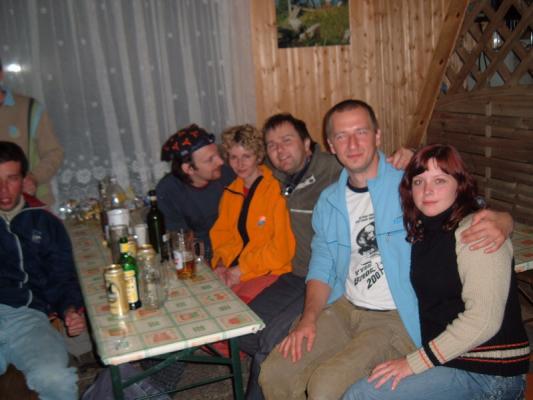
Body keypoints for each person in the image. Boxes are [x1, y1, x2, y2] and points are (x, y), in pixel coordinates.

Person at [258, 100, 515, 400]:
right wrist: (309, 318)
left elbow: (458, 203)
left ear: (377, 136)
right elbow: (322, 264)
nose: (353, 144)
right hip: (343, 306)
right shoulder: (328, 201)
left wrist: (501, 219)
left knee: (325, 387)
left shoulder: (408, 184)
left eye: (361, 132)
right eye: (342, 136)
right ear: (331, 145)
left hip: (396, 316)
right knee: (276, 373)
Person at [342, 144, 529, 400]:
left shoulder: (477, 231)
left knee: (362, 395)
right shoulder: (423, 230)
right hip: (450, 358)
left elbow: (483, 321)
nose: (427, 190)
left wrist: (412, 363)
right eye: (419, 181)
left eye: (440, 180)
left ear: (459, 186)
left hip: (489, 373)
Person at [0, 141, 86, 400]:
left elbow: (63, 277)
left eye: (11, 179)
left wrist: (70, 309)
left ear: (24, 180)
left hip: (27, 318)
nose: (3, 190)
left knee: (55, 378)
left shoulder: (44, 222)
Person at [210, 124, 295, 303]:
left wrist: (240, 270)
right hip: (235, 270)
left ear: (259, 156)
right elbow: (222, 236)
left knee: (238, 310)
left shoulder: (276, 190)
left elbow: (281, 250)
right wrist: (221, 264)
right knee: (210, 303)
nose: (239, 164)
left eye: (246, 156)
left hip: (268, 271)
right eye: (234, 157)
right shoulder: (230, 192)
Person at [156, 124, 235, 260]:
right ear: (189, 169)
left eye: (217, 154)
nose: (220, 162)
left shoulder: (229, 175)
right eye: (210, 159)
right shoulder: (169, 191)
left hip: (234, 249)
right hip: (201, 257)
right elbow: (181, 241)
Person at [0, 57, 64, 206]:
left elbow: (54, 152)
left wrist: (34, 177)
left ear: (1, 74)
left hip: (31, 203)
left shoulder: (29, 108)